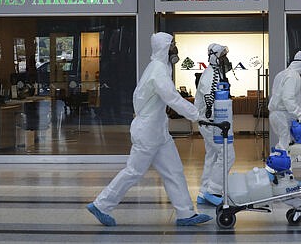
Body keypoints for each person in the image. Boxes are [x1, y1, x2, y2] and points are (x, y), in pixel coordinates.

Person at [86, 32, 212, 227]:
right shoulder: (158, 71)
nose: (175, 49)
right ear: (164, 48)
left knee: (174, 170)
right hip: (147, 132)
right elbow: (172, 98)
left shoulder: (160, 67)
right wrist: (198, 116)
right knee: (134, 171)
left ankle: (186, 213)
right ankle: (101, 205)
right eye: (172, 45)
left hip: (158, 131)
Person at [194, 43, 235, 206]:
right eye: (222, 56)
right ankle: (214, 190)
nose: (226, 59)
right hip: (211, 124)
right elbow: (210, 101)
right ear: (214, 57)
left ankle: (204, 192)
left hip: (210, 124)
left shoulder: (216, 73)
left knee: (212, 157)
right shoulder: (211, 76)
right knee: (227, 155)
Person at [268, 51, 301, 156]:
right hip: (282, 115)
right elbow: (287, 98)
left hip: (279, 114)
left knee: (286, 144)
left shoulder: (283, 74)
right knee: (284, 146)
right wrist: (299, 114)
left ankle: (282, 168)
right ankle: (276, 169)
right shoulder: (293, 76)